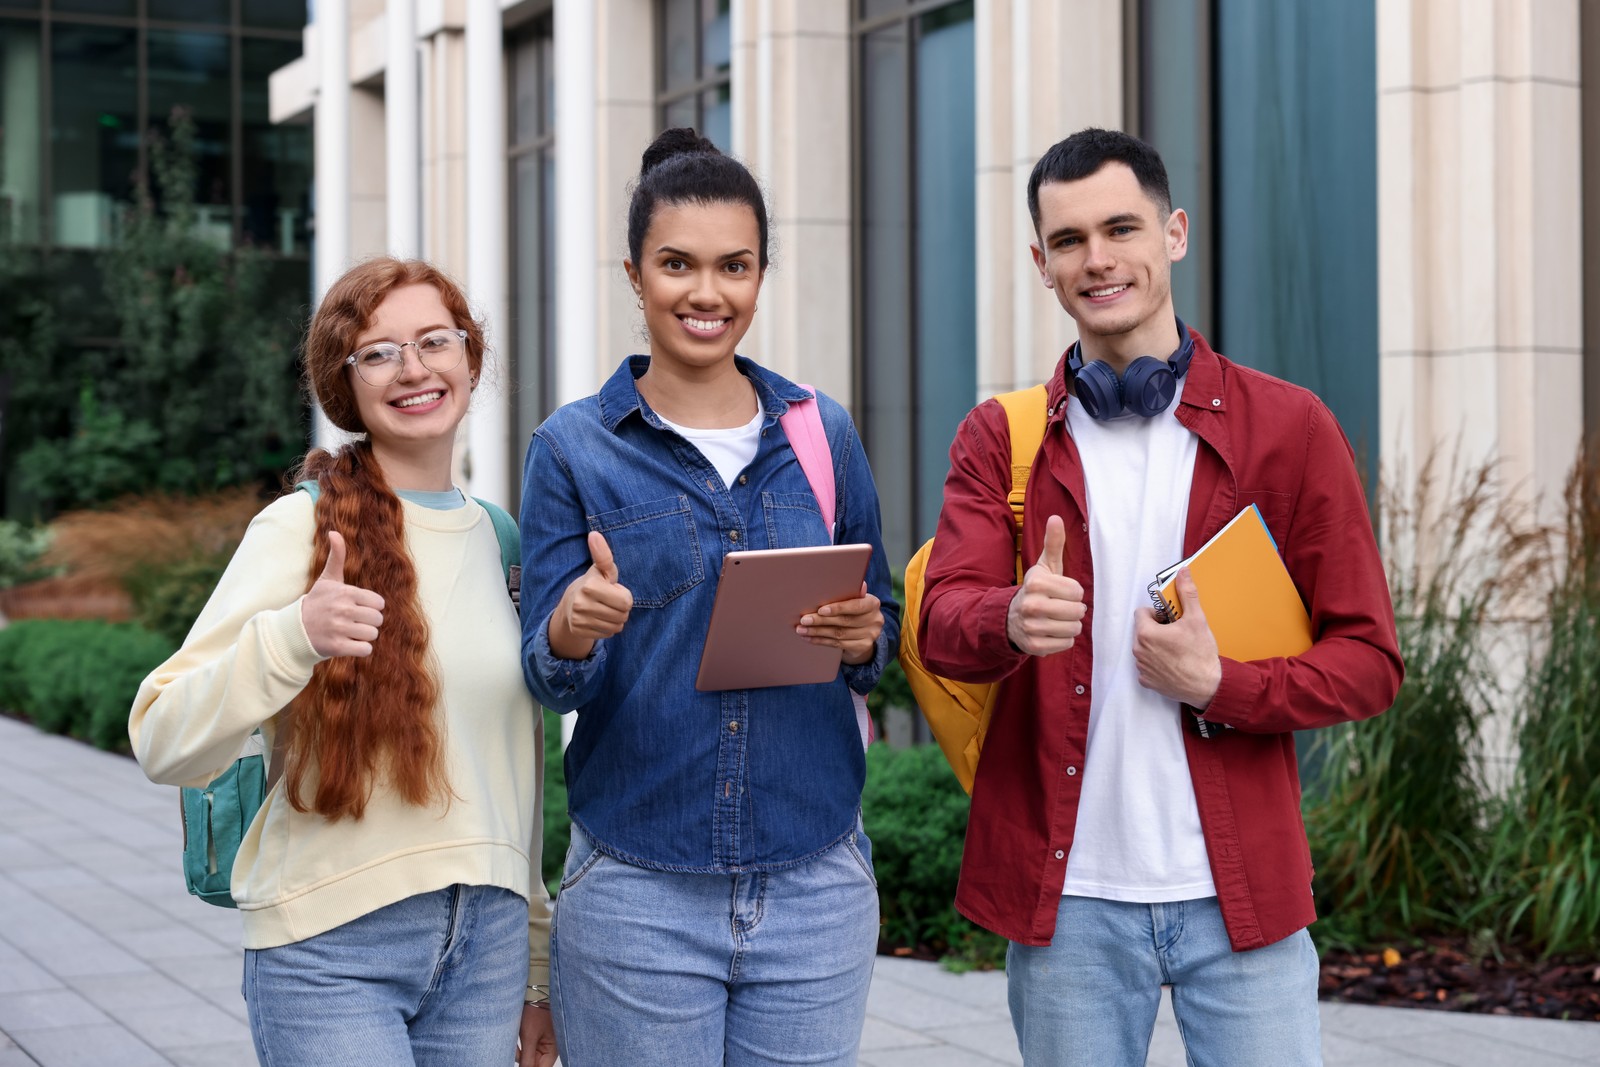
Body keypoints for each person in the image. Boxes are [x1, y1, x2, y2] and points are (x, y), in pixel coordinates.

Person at [918, 128, 1404, 1066]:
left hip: (1243, 897)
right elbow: (941, 623)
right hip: (1070, 906)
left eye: (1121, 228)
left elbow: (1370, 662)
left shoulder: (1291, 429)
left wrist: (1226, 683)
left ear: (1173, 233)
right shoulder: (1000, 438)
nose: (1097, 259)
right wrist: (1009, 620)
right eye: (1068, 241)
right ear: (1041, 264)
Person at [519, 128, 899, 1066]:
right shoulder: (572, 447)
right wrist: (572, 629)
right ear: (634, 272)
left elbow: (881, 629)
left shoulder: (821, 432)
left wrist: (861, 636)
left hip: (814, 881)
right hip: (639, 891)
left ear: (762, 273)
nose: (707, 293)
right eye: (677, 264)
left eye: (734, 266)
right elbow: (547, 675)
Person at [128, 257, 558, 1067]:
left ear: (472, 356)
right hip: (333, 948)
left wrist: (539, 968)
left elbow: (519, 771)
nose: (415, 368)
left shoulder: (501, 536)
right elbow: (161, 736)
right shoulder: (299, 528)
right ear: (344, 384)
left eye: (436, 340)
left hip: (488, 949)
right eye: (380, 352)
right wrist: (295, 633)